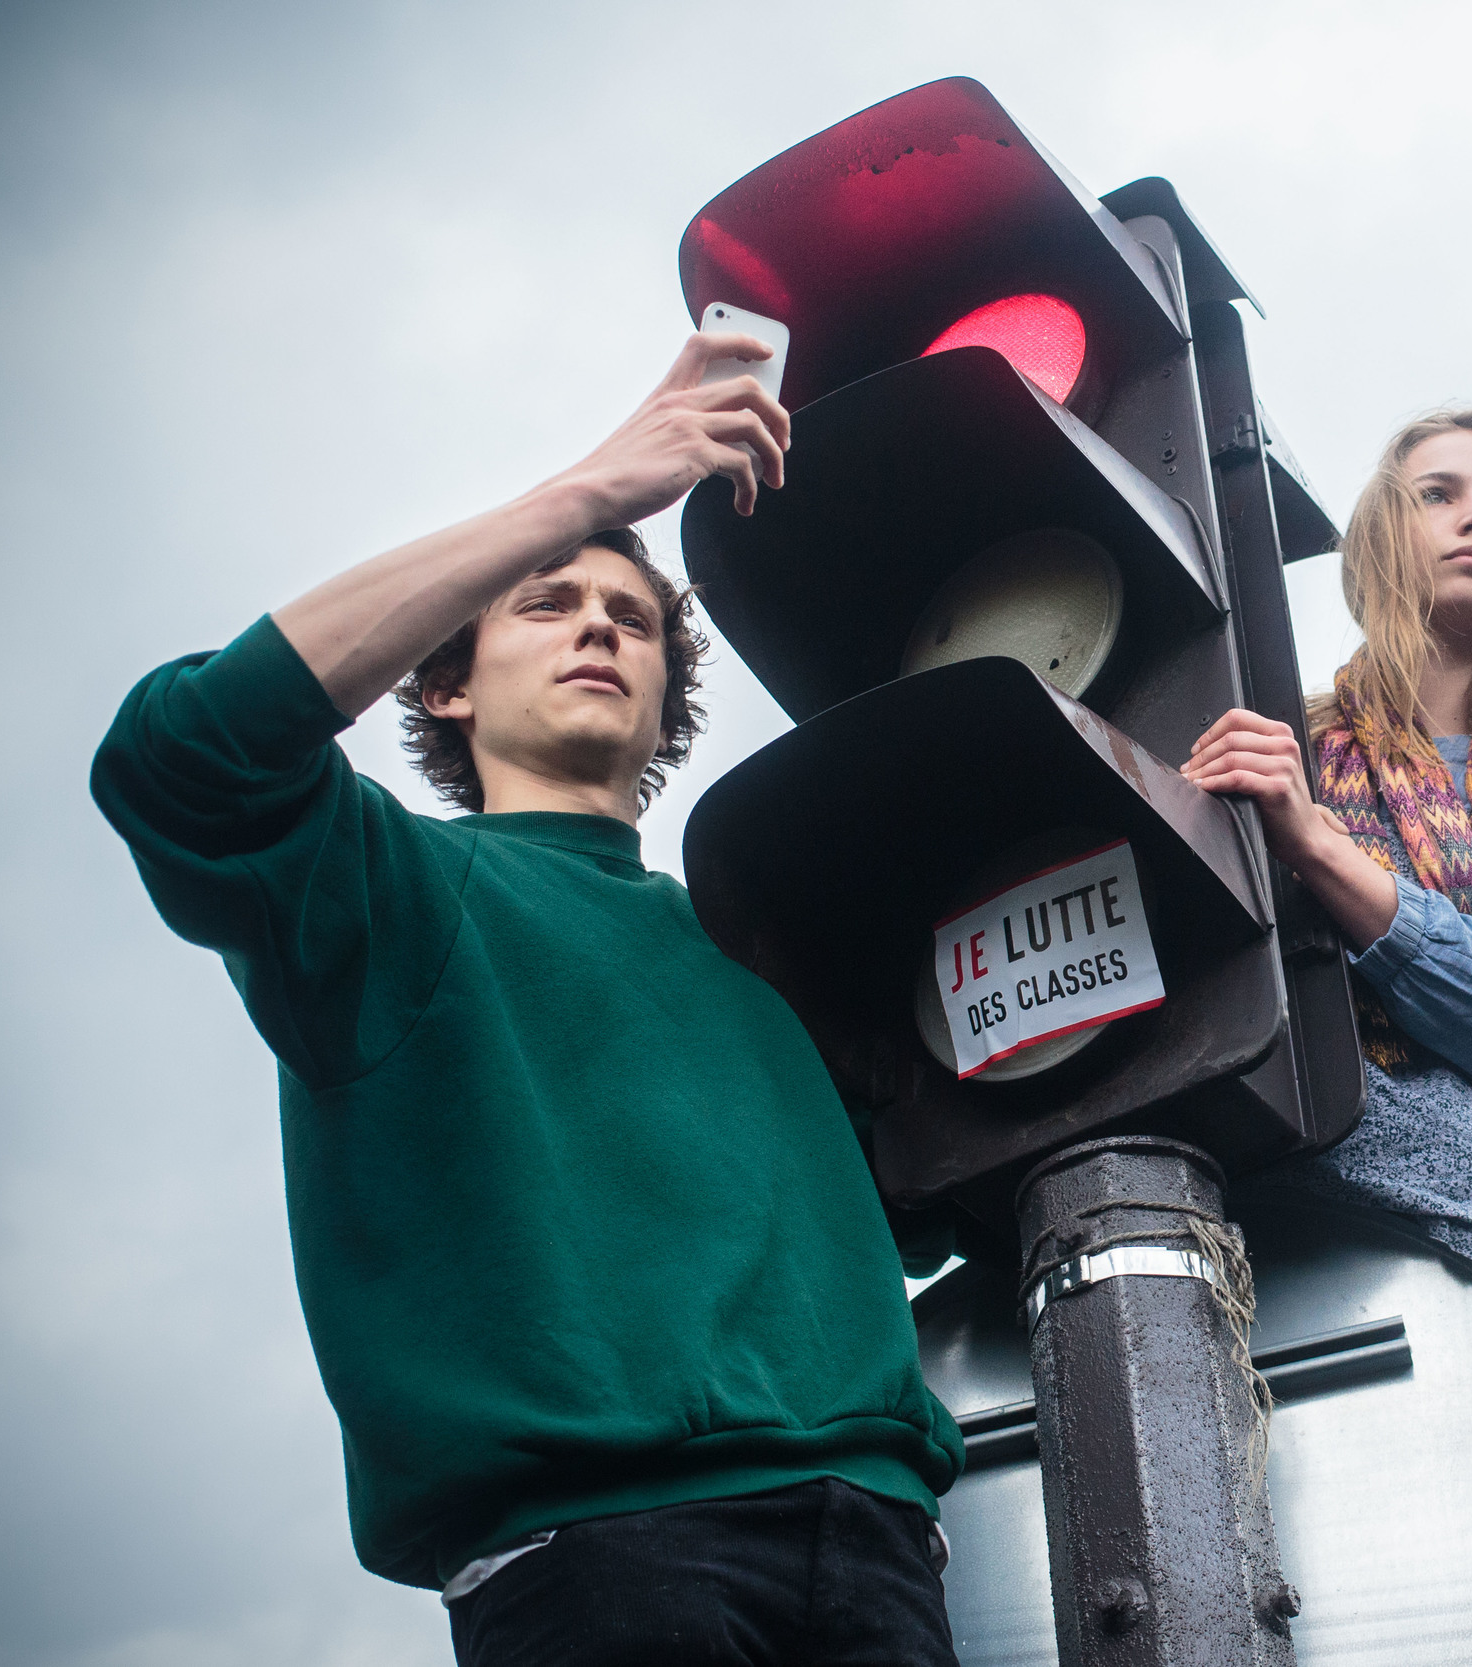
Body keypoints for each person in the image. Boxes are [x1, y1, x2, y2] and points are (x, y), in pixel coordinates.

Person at [90, 331, 965, 1666]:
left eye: (630, 614)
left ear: (670, 689)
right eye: (546, 602)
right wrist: (593, 492)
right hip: (600, 1557)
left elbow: (936, 1195)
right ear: (446, 682)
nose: (602, 620)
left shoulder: (768, 942)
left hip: (885, 1550)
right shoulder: (385, 887)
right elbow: (181, 760)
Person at [1181, 408, 1472, 1343]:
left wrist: (1315, 845)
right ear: (1385, 531)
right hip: (1275, 1228)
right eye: (1441, 494)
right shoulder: (1283, 745)